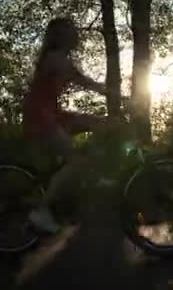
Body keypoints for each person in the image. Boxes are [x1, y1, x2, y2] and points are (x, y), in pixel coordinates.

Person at [22, 17, 112, 233]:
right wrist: (118, 95)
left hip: (52, 113)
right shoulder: (55, 59)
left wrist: (116, 95)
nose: (77, 35)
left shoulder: (58, 58)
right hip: (40, 116)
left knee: (102, 124)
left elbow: (86, 82)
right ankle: (41, 212)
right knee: (75, 160)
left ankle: (92, 174)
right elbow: (86, 82)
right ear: (62, 37)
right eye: (72, 31)